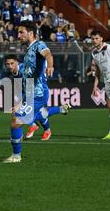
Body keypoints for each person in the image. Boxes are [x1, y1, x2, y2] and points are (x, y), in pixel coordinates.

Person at [5, 21, 67, 163]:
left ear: (31, 33)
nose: (18, 35)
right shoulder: (28, 50)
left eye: (21, 32)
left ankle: (16, 156)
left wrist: (50, 66)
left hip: (38, 94)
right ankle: (56, 112)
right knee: (18, 117)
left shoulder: (38, 45)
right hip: (31, 93)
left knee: (16, 121)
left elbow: (48, 54)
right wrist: (22, 101)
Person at [4, 54, 70, 142]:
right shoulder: (15, 72)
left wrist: (19, 104)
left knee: (21, 117)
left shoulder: (24, 71)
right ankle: (58, 113)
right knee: (35, 113)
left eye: (12, 63)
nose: (10, 66)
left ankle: (24, 133)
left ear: (17, 62)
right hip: (33, 93)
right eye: (8, 64)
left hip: (40, 93)